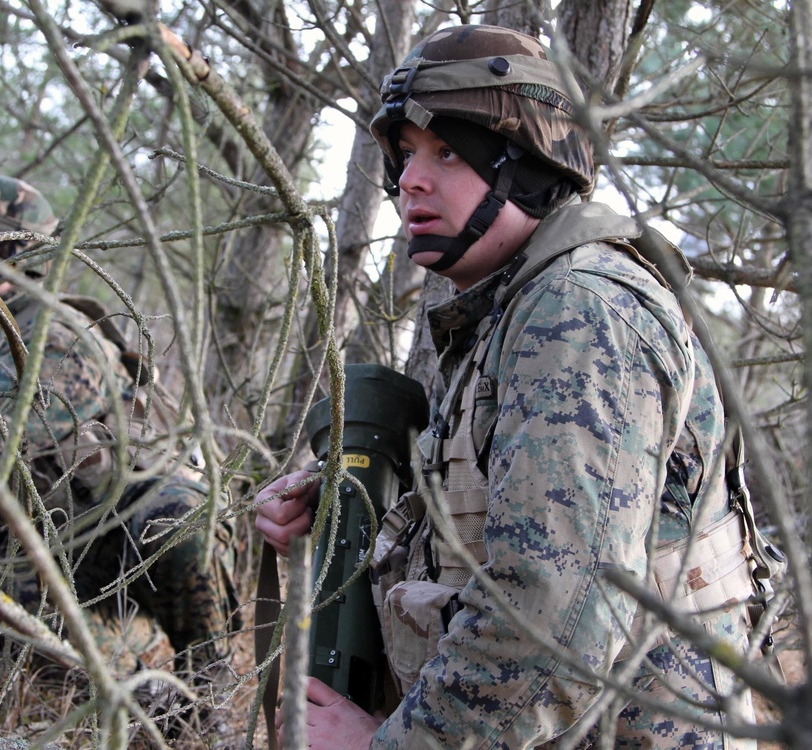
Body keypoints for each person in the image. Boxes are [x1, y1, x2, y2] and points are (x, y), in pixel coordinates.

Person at [255, 25, 769, 749]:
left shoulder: (579, 311)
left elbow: (554, 620)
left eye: (446, 152)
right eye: (404, 156)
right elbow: (492, 516)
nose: (410, 181)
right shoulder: (509, 311)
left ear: (526, 166)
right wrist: (335, 492)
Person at [0, 173, 239, 694]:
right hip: (53, 535)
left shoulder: (53, 338)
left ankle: (216, 680)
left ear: (6, 251)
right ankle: (138, 690)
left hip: (125, 529)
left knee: (175, 523)